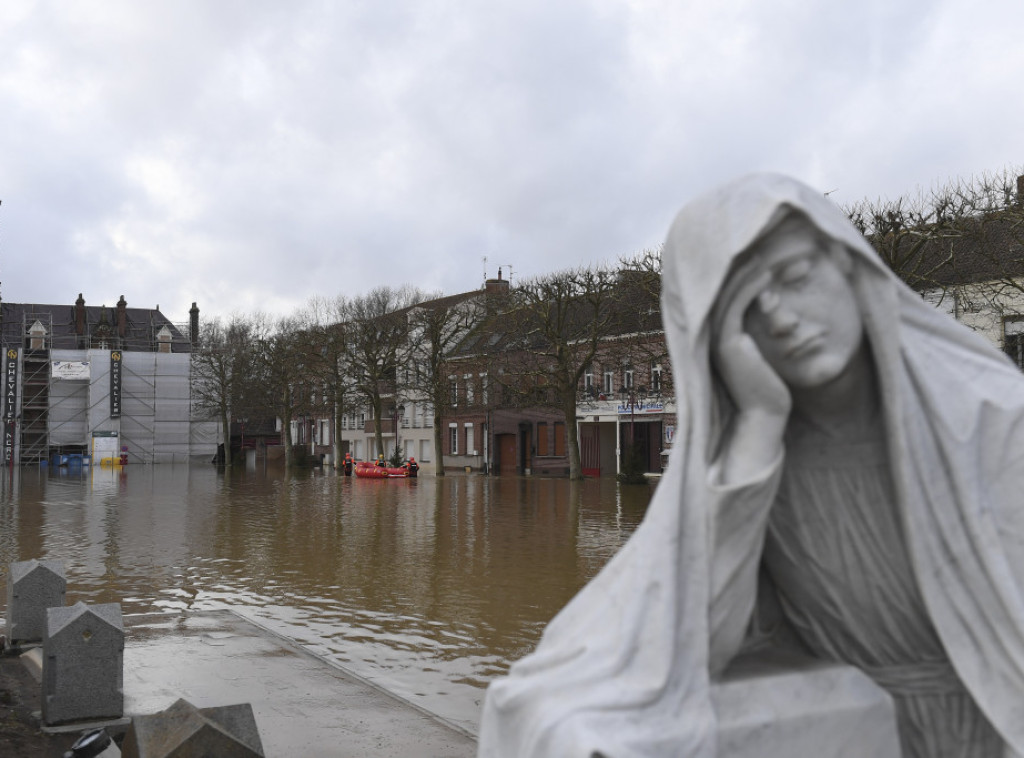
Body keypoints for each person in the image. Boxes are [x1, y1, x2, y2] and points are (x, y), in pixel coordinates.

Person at [478, 174, 1024, 758]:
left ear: (849, 268)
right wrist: (761, 423)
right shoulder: (752, 459)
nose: (783, 319)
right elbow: (683, 634)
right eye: (746, 313)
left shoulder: (995, 425)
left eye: (795, 278)